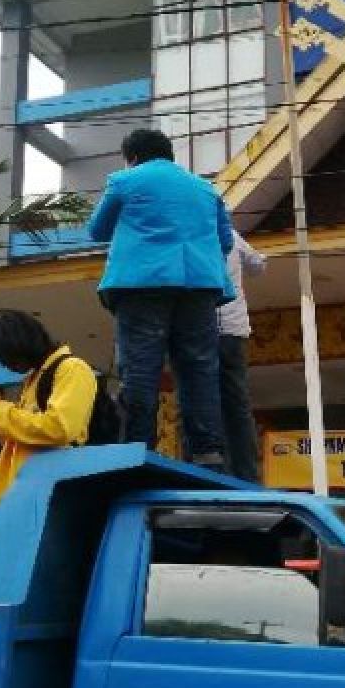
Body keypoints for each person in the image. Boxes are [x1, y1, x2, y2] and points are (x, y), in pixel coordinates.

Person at [86, 129, 234, 468]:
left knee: (140, 367)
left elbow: (97, 230)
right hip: (199, 284)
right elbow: (224, 242)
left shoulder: (125, 180)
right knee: (199, 369)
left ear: (133, 157)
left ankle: (136, 449)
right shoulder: (205, 188)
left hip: (142, 284)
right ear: (169, 154)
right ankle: (207, 451)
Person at [0, 310, 97, 517]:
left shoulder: (72, 369)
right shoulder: (35, 378)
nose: (7, 365)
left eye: (5, 357)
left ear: (19, 345)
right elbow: (26, 440)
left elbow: (59, 428)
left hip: (47, 499)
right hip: (24, 499)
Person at [216, 231, 266, 482]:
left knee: (201, 402)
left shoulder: (191, 231)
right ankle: (246, 473)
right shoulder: (231, 235)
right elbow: (257, 266)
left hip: (201, 331)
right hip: (233, 330)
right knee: (237, 403)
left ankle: (213, 469)